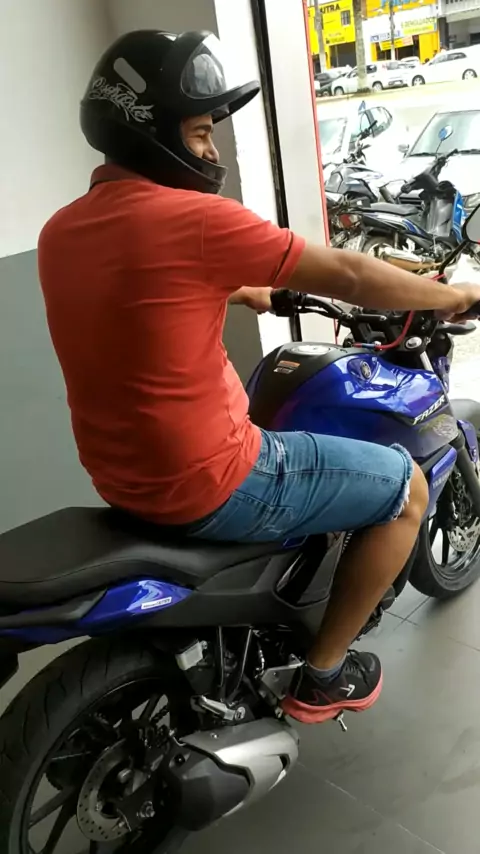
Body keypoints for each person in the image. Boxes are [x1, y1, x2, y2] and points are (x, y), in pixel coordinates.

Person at [38, 30, 480, 725]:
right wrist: (450, 296)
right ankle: (325, 673)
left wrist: (243, 289)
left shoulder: (65, 229)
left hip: (122, 476)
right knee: (407, 490)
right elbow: (349, 271)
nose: (212, 150)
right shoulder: (193, 220)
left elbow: (143, 292)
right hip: (213, 478)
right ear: (153, 133)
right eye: (200, 132)